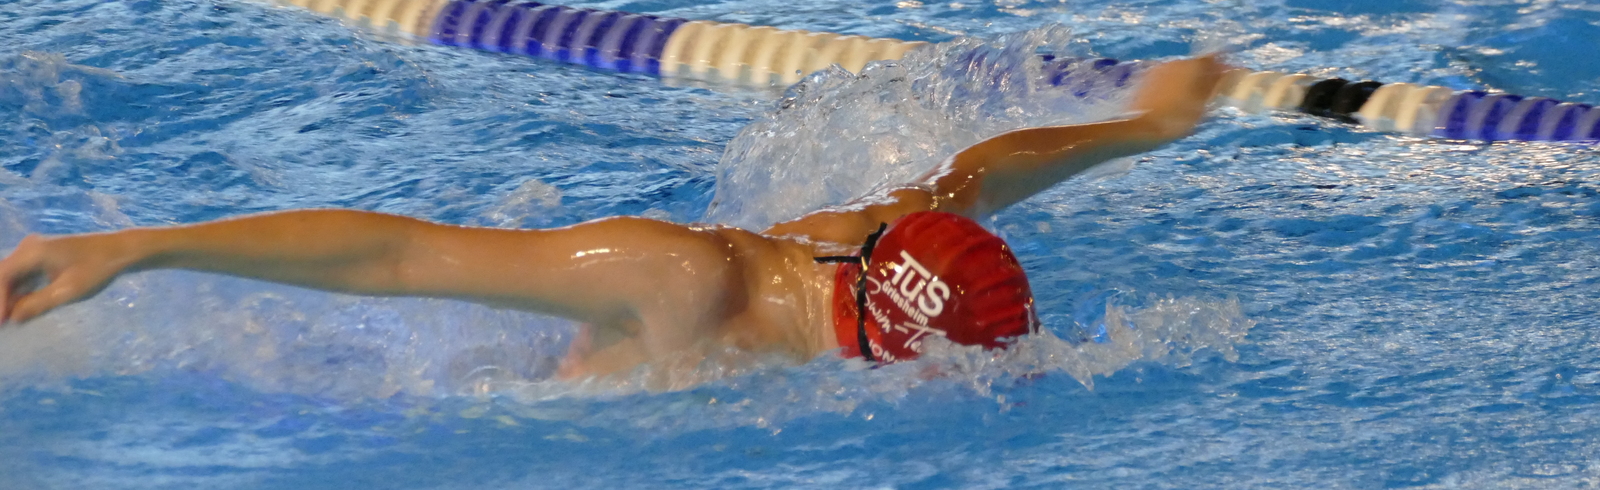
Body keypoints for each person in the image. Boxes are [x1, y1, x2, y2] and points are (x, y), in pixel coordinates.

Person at [0, 55, 1224, 388]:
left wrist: (1144, 127)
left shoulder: (887, 224)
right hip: (449, 385)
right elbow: (400, 253)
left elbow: (981, 172)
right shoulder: (680, 279)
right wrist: (132, 247)